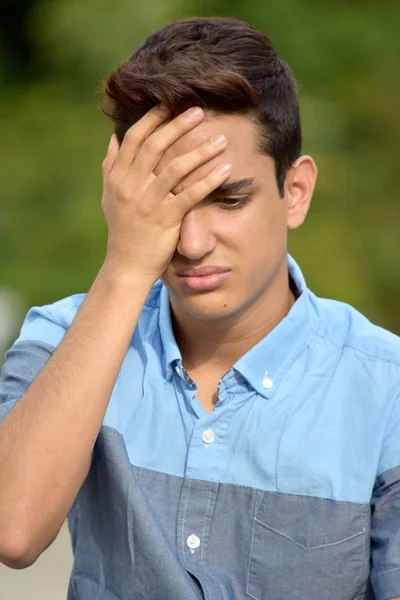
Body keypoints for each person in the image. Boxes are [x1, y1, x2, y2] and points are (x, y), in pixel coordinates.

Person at [0, 15, 399, 600]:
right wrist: (127, 264)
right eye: (166, 202)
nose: (190, 243)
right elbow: (13, 531)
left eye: (229, 199)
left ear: (296, 192)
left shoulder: (387, 387)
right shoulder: (62, 337)